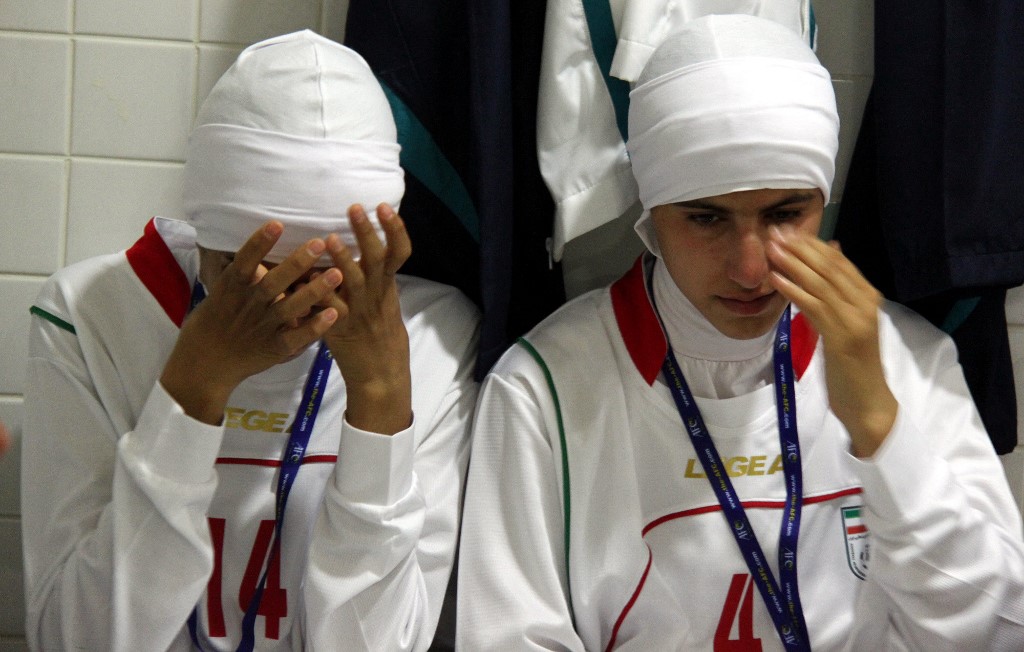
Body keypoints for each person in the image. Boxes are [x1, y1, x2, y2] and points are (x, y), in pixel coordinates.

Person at [457, 14, 1024, 651]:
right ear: (651, 212)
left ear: (822, 200)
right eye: (706, 219)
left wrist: (882, 432)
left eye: (786, 214)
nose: (752, 268)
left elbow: (993, 632)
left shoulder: (907, 359)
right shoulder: (543, 389)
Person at [21, 31, 479, 651]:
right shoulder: (88, 316)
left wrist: (380, 397)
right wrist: (194, 388)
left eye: (328, 272)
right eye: (254, 266)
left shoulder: (431, 337)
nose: (292, 301)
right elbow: (79, 640)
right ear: (205, 229)